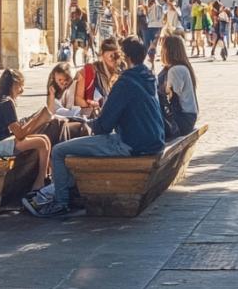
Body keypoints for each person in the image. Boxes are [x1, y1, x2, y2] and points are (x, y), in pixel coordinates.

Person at [30, 37, 165, 218]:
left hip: (130, 143)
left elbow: (103, 127)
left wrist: (87, 121)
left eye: (119, 54)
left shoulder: (124, 83)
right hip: (153, 140)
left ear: (125, 57)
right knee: (78, 148)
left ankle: (61, 202)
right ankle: (72, 191)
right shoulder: (148, 77)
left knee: (59, 151)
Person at [0, 69, 52, 193]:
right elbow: (20, 134)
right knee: (42, 142)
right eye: (20, 86)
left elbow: (17, 131)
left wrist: (36, 118)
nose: (22, 90)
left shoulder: (2, 99)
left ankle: (44, 177)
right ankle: (40, 182)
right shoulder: (6, 102)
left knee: (44, 139)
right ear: (12, 84)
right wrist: (39, 119)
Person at [158, 34, 198, 139]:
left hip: (182, 119)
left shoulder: (176, 70)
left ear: (168, 50)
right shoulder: (181, 67)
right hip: (187, 117)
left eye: (163, 48)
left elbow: (170, 94)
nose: (161, 52)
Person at [42, 61, 89, 144]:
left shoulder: (74, 85)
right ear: (55, 79)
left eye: (66, 79)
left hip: (73, 120)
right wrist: (52, 96)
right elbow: (50, 112)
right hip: (61, 121)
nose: (63, 82)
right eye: (59, 80)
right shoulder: (53, 89)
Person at [72, 38, 122, 114]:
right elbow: (77, 99)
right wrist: (90, 105)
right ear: (102, 55)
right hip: (88, 118)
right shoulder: (88, 71)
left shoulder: (118, 74)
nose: (114, 59)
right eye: (111, 56)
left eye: (116, 56)